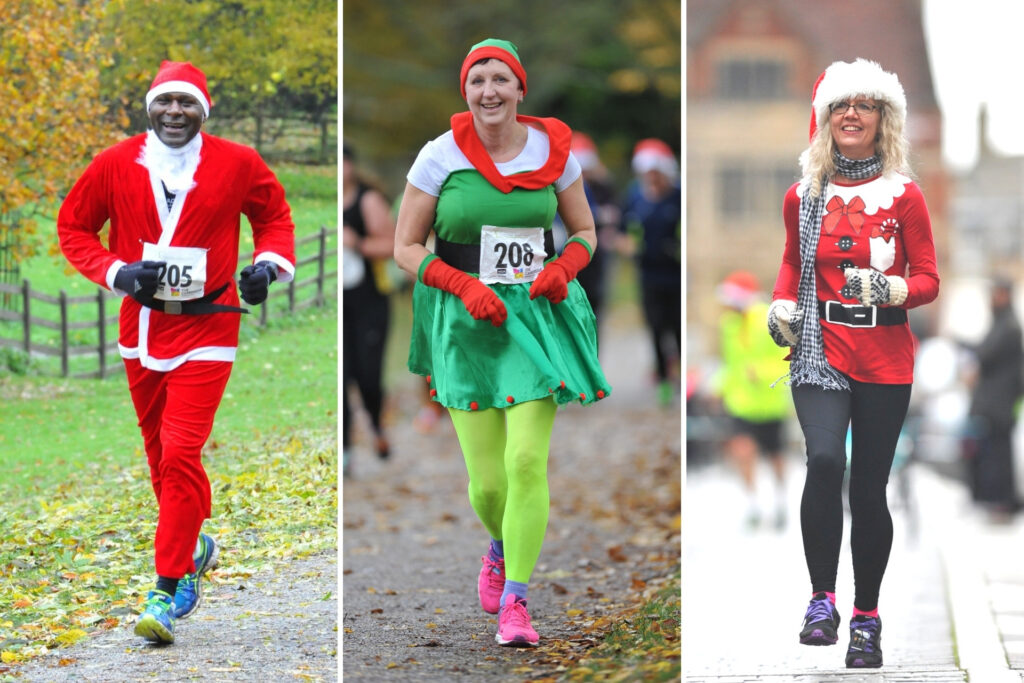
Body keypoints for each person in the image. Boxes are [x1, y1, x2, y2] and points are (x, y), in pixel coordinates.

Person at [58, 61, 295, 644]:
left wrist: (268, 266)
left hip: (209, 328)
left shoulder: (237, 163)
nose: (175, 112)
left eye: (187, 103)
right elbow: (73, 228)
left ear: (203, 111)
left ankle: (164, 591)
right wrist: (118, 272)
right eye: (165, 101)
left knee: (181, 452)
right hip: (142, 327)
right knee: (159, 456)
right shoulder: (115, 164)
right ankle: (194, 545)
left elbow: (275, 217)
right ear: (150, 106)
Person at [393, 38, 610, 648]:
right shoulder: (439, 156)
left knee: (524, 462)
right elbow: (405, 248)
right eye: (477, 81)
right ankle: (498, 546)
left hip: (533, 316)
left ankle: (516, 600)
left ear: (520, 89)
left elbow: (585, 231)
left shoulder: (553, 152)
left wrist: (563, 266)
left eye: (500, 80)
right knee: (488, 483)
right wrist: (459, 283)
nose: (489, 91)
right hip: (463, 319)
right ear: (466, 91)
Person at [767, 59, 939, 668]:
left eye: (864, 104)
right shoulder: (803, 197)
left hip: (886, 357)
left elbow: (928, 279)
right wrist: (782, 304)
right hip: (820, 350)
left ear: (882, 119)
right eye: (841, 105)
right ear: (824, 120)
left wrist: (893, 291)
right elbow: (792, 262)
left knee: (868, 490)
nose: (851, 114)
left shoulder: (906, 196)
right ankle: (821, 601)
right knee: (822, 459)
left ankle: (866, 618)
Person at [714, 270, 791, 529]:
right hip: (740, 403)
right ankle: (753, 504)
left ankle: (780, 501)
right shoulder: (728, 324)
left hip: (770, 404)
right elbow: (731, 363)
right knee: (742, 450)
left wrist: (759, 373)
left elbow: (787, 362)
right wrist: (720, 386)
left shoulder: (771, 321)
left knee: (775, 456)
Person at [342, 143, 396, 476]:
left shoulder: (367, 200)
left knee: (369, 377)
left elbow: (392, 245)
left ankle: (377, 427)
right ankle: (345, 451)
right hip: (340, 305)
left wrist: (358, 244)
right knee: (342, 377)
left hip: (370, 303)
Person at [620, 138, 681, 407]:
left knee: (676, 328)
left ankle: (678, 373)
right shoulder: (634, 196)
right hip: (647, 274)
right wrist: (626, 244)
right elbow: (619, 230)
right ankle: (663, 381)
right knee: (655, 329)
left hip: (674, 274)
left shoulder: (677, 195)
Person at [963, 277, 1023, 520]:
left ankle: (1003, 502)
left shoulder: (1009, 327)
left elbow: (986, 353)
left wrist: (962, 344)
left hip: (1001, 405)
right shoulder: (1002, 323)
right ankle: (994, 499)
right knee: (992, 453)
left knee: (1000, 455)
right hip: (995, 404)